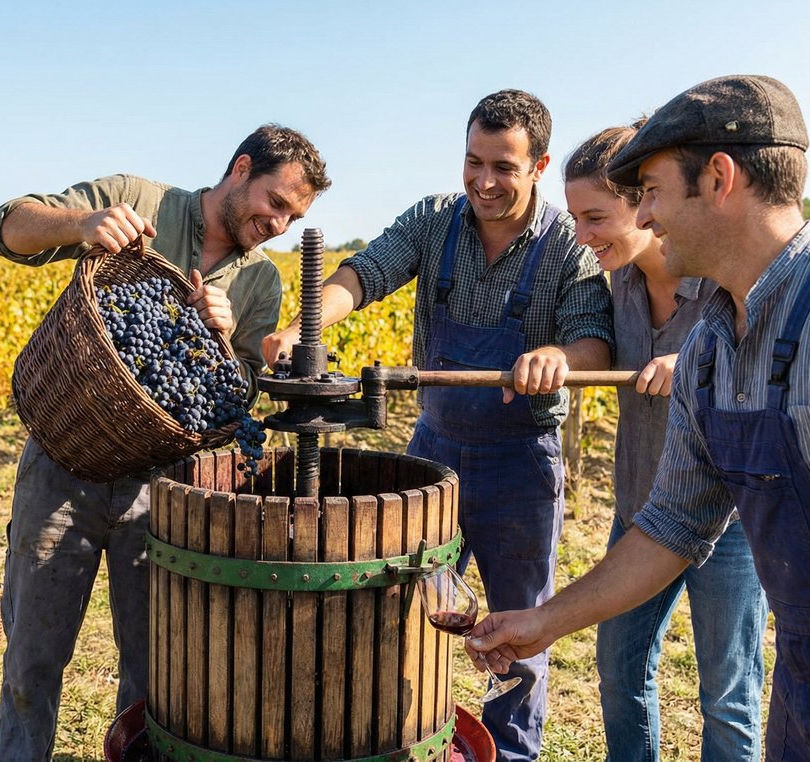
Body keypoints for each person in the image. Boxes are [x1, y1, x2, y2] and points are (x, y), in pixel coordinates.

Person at [467, 75, 810, 762]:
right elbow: (672, 527)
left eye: (655, 191)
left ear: (719, 178)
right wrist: (545, 621)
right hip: (809, 690)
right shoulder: (710, 350)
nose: (648, 216)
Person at [263, 90, 613, 760]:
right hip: (436, 453)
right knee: (404, 609)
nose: (484, 181)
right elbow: (366, 272)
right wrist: (304, 325)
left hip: (521, 464)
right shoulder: (434, 222)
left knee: (518, 629)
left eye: (503, 167)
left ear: (538, 166)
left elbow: (594, 342)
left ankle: (511, 752)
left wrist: (555, 358)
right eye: (473, 161)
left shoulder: (569, 245)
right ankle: (399, 737)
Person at [0, 124, 331, 761]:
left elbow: (233, 402)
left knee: (155, 674)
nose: (280, 224)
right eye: (275, 203)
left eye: (295, 215)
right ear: (241, 168)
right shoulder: (137, 201)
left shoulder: (260, 285)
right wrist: (80, 225)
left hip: (164, 486)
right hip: (64, 465)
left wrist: (226, 343)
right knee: (32, 658)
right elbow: (4, 226)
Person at [564, 122, 768, 761]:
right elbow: (587, 348)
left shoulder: (721, 282)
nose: (583, 237)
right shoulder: (613, 286)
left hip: (725, 519)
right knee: (621, 674)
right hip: (639, 509)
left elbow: (764, 364)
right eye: (574, 219)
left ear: (643, 204)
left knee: (726, 694)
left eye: (596, 217)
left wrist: (697, 365)